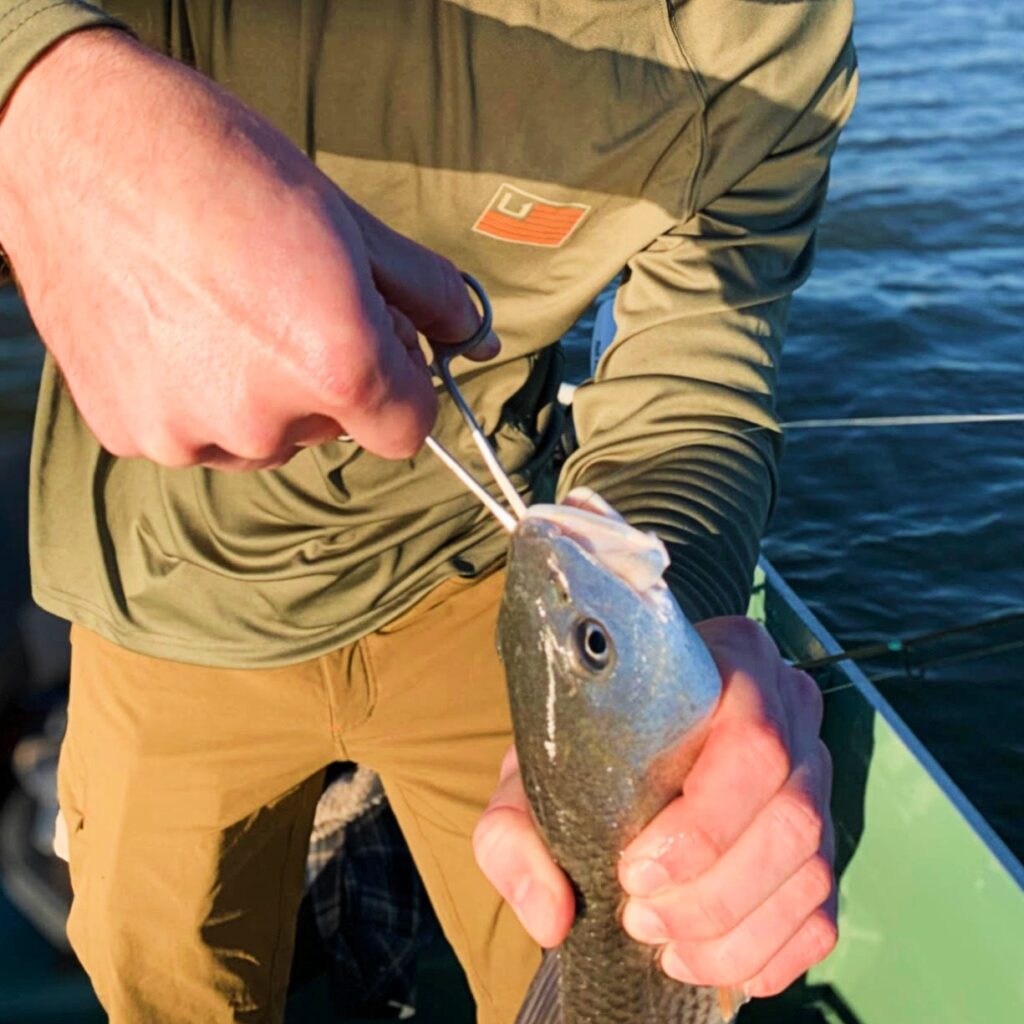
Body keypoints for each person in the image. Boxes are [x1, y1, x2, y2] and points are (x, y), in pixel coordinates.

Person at [0, 2, 857, 1022]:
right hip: (165, 596)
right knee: (163, 984)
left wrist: (687, 661)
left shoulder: (769, 35)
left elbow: (696, 377)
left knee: (608, 948)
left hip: (484, 587)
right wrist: (39, 96)